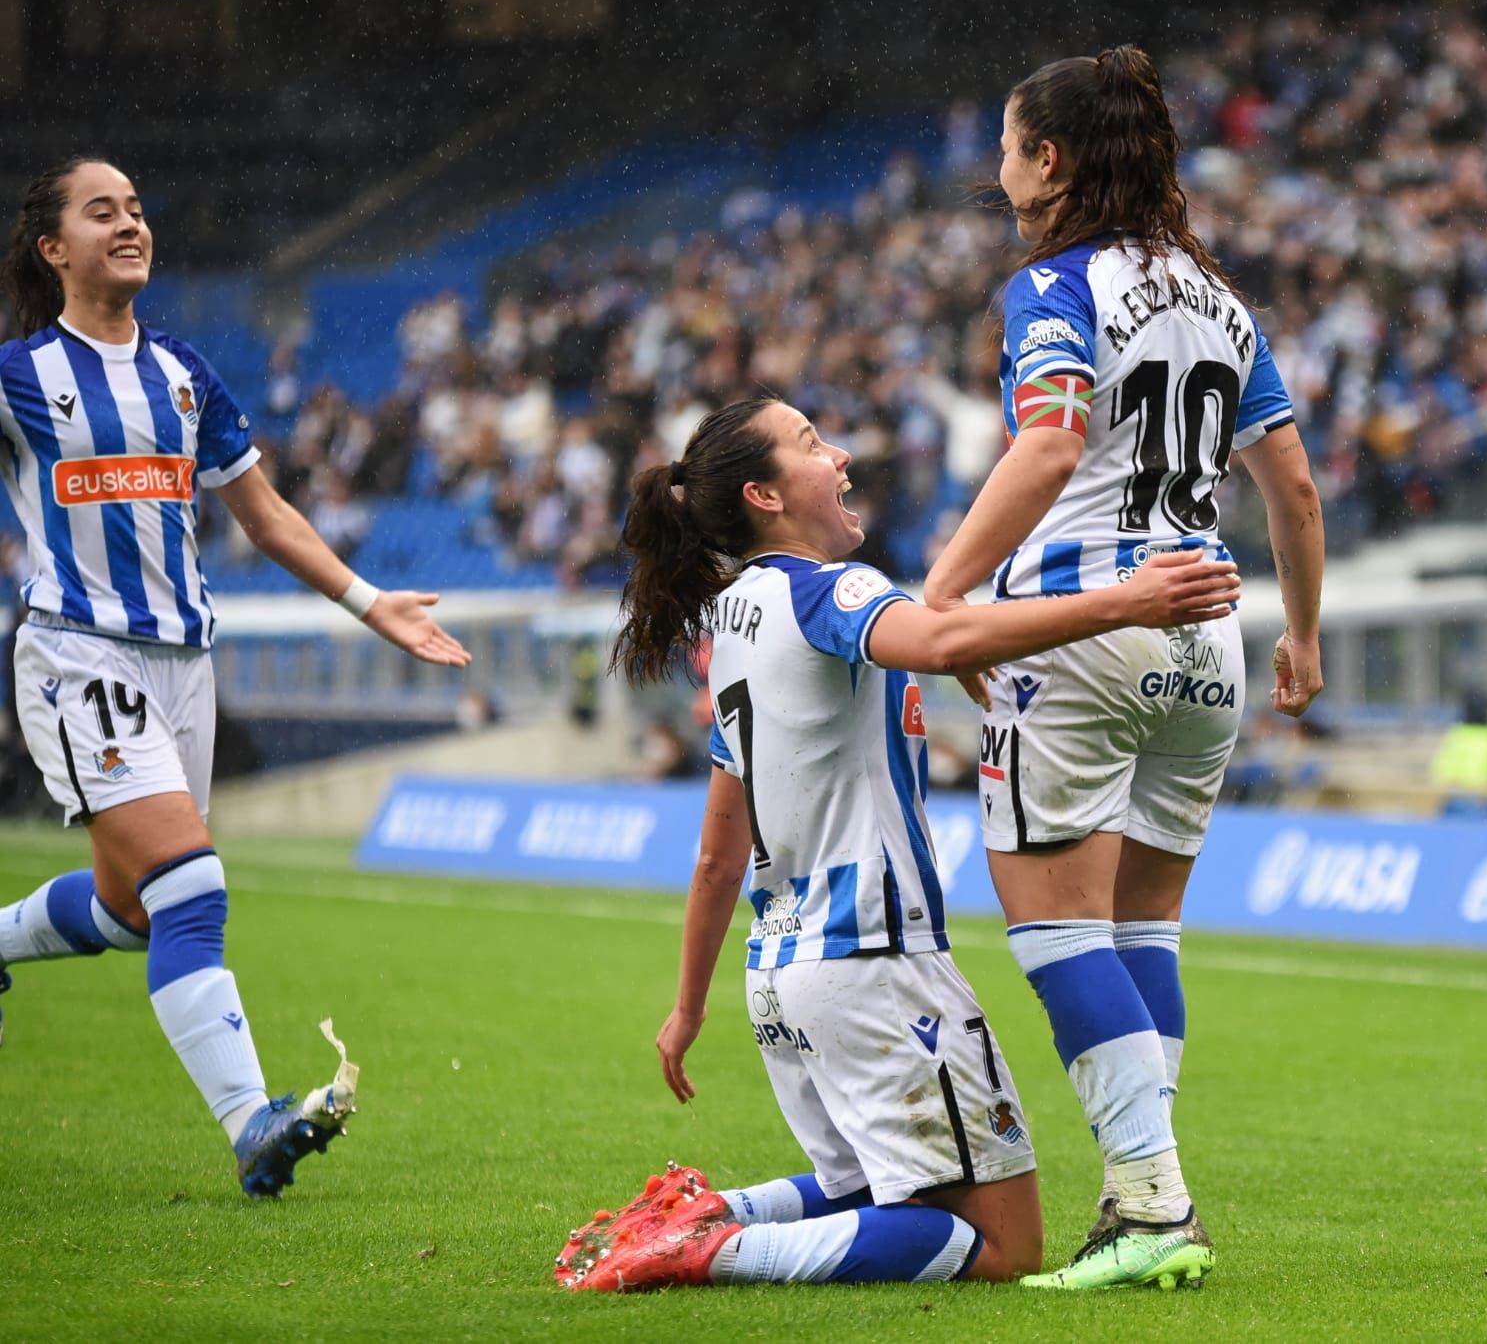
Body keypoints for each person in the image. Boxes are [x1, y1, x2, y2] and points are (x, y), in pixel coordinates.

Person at [554, 396, 1239, 1292]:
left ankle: (717, 1211)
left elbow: (720, 852)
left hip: (781, 978)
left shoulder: (728, 623)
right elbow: (941, 631)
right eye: (810, 445)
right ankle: (714, 1253)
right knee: (1000, 1242)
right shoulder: (831, 589)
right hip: (874, 962)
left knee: (884, 1193)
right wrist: (1128, 603)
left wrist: (690, 1006)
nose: (839, 456)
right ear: (763, 494)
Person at [920, 45, 1326, 1290]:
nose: (997, 165)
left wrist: (939, 599)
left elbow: (1045, 452)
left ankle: (1152, 1203)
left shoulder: (1054, 288)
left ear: (1047, 161)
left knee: (1053, 932)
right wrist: (1301, 633)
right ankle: (1137, 1196)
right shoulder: (1219, 301)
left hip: (1082, 624)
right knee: (1145, 928)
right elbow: (1293, 489)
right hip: (1208, 631)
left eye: (1005, 143)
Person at [0, 158, 470, 1196]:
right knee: (194, 885)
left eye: (135, 206)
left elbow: (265, 514)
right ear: (52, 248)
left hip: (185, 665)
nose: (130, 222)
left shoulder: (181, 373)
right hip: (81, 654)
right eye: (101, 211)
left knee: (135, 912)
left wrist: (367, 600)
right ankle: (250, 1120)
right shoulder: (20, 374)